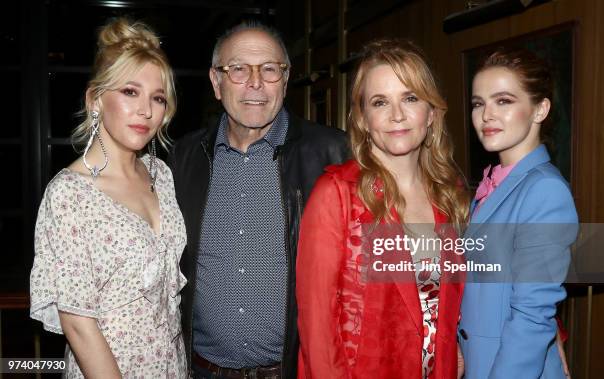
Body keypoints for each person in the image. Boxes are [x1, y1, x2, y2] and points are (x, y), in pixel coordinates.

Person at [168, 21, 349, 379]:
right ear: (216, 82)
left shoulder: (334, 155)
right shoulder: (183, 159)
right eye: (238, 69)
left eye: (269, 69)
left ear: (285, 79)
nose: (255, 83)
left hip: (295, 370)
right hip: (201, 371)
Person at [296, 39, 470, 379]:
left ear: (432, 112)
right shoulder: (336, 195)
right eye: (380, 102)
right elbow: (318, 333)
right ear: (362, 118)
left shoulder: (450, 195)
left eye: (410, 98)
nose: (397, 115)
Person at [29, 18, 188, 378]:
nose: (146, 111)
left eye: (158, 98)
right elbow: (79, 326)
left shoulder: (161, 175)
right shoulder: (70, 194)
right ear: (95, 99)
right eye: (130, 92)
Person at [458, 48, 579, 378]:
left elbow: (532, 314)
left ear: (540, 109)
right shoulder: (494, 183)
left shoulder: (544, 191)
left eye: (504, 101)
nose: (486, 115)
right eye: (478, 103)